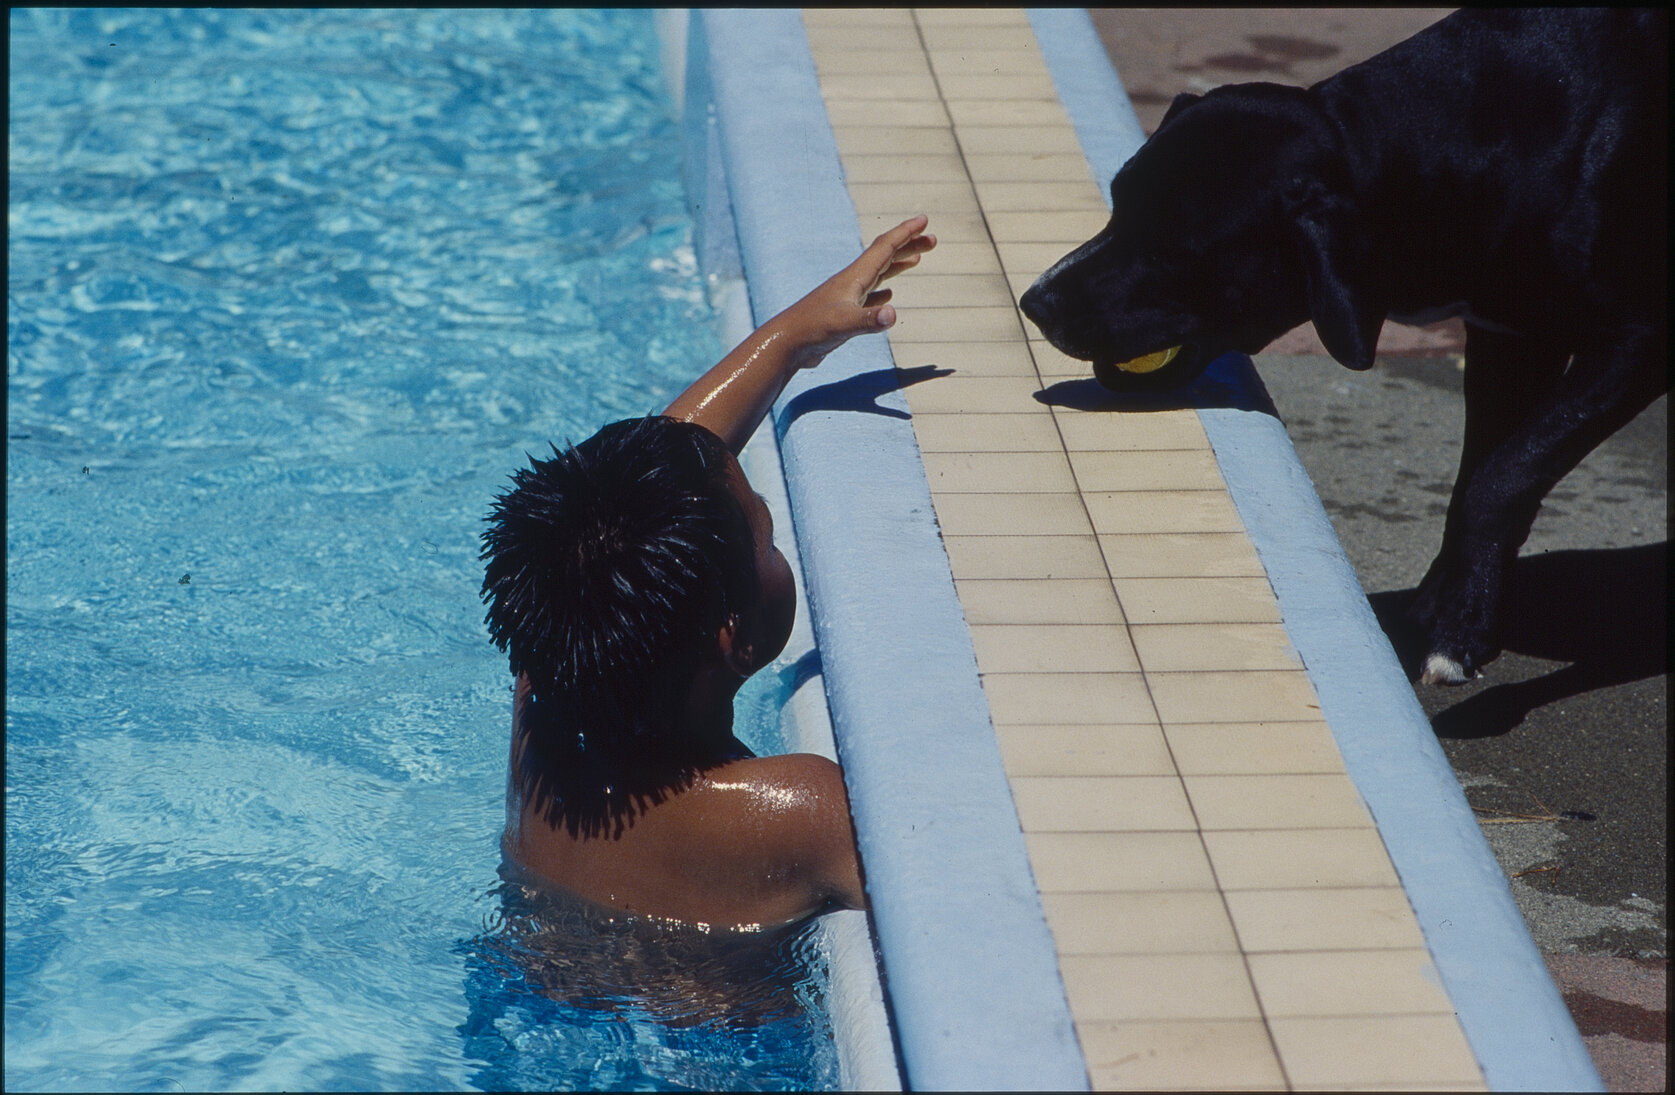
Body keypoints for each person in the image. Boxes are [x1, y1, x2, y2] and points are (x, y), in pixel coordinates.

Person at [480, 216, 935, 931]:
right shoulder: (803, 813)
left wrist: (790, 338)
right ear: (736, 639)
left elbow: (624, 500)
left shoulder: (546, 688)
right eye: (769, 535)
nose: (773, 539)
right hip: (719, 1033)